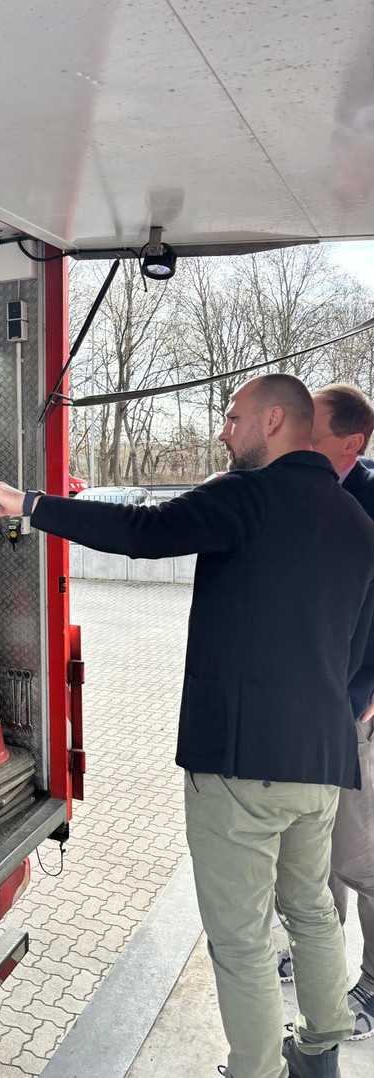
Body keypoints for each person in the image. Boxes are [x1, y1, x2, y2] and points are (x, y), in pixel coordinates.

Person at [0, 373, 374, 1078]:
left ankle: (256, 1070)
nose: (223, 430)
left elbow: (140, 532)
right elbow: (358, 649)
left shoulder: (244, 497)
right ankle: (320, 1050)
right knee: (309, 908)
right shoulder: (356, 522)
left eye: (233, 416)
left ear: (273, 421)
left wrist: (29, 503)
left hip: (242, 763)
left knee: (240, 937)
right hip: (323, 761)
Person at [275, 383, 374, 1041]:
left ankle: (372, 986)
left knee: (359, 856)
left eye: (311, 433)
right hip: (303, 706)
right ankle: (317, 949)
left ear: (351, 443)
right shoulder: (299, 493)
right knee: (309, 844)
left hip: (353, 710)